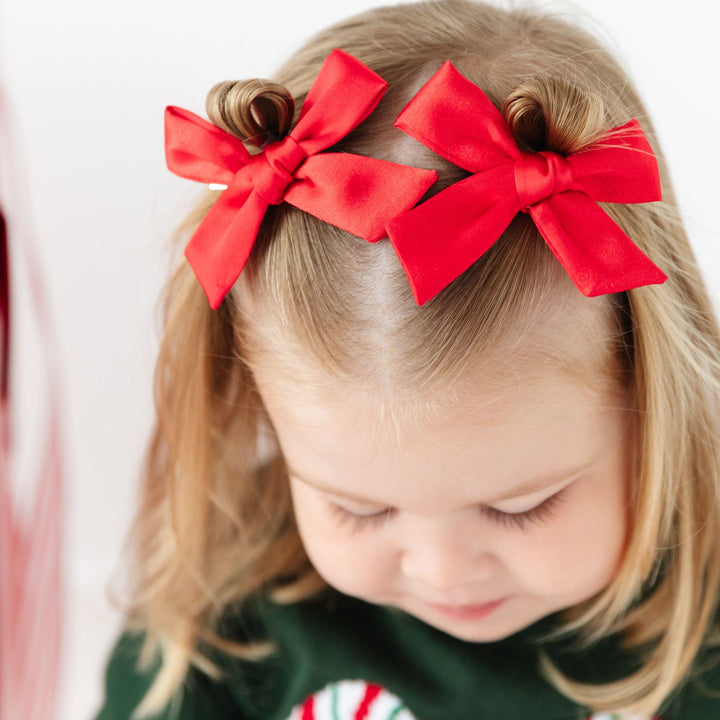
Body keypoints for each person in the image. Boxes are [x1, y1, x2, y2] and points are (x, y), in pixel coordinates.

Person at [95, 1, 720, 718]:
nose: (442, 571)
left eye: (521, 508)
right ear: (255, 398)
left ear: (652, 389)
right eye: (357, 510)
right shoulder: (224, 628)